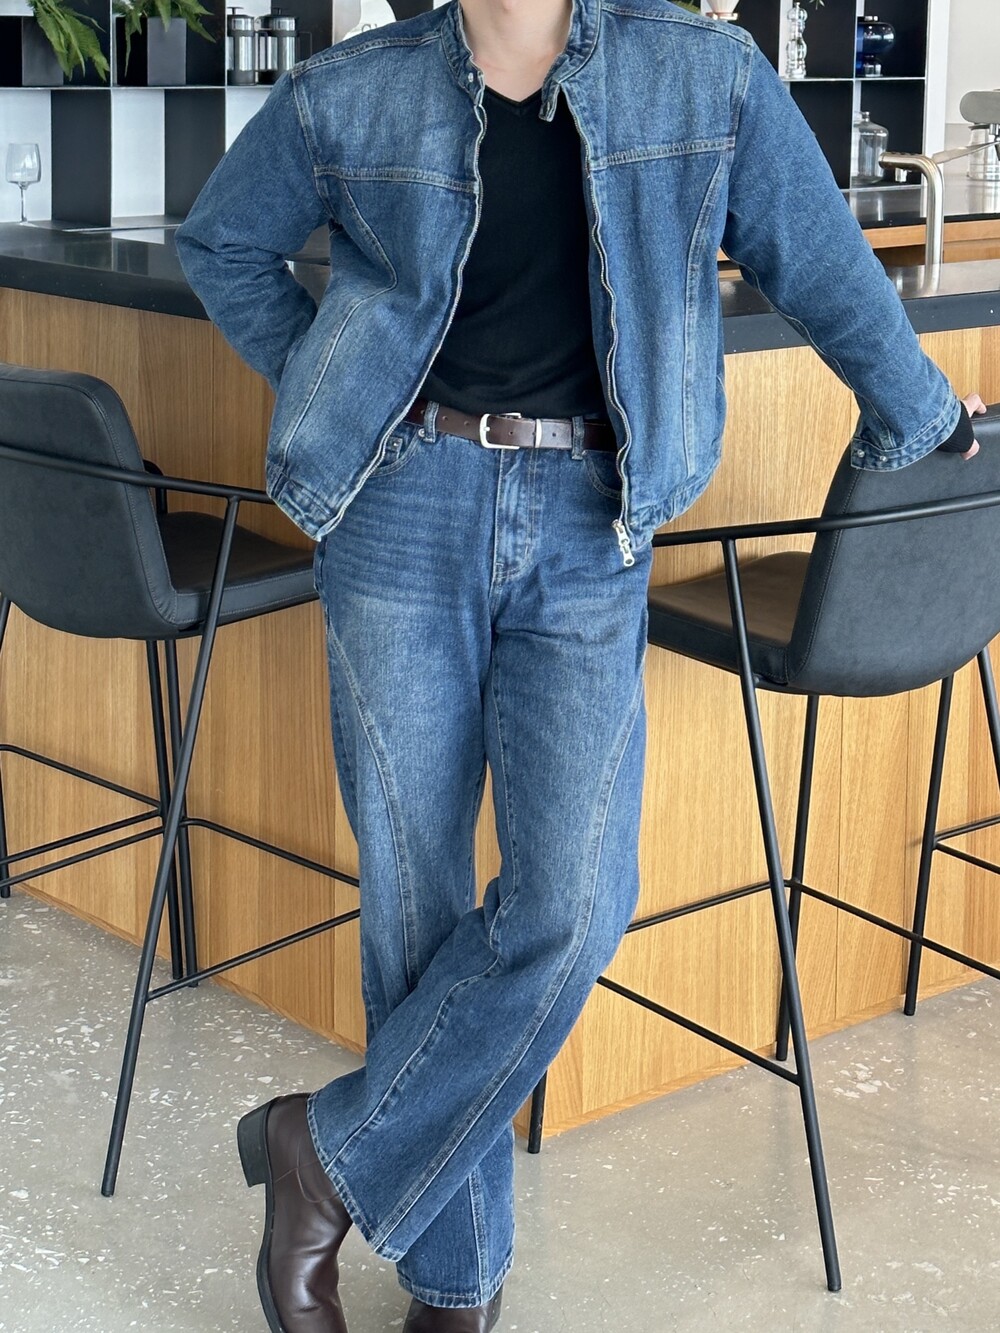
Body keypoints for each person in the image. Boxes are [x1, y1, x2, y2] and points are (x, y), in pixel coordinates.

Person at [174, 2, 985, 1329]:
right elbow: (222, 245)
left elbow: (820, 255)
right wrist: (336, 383)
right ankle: (454, 1283)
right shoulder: (348, 90)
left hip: (589, 519)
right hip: (403, 505)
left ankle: (319, 1153)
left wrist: (923, 409)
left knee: (577, 902)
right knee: (419, 902)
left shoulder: (702, 75)